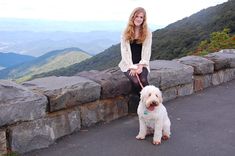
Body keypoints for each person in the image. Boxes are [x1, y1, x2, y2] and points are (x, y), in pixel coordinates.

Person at [118, 7, 152, 95]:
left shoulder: (147, 32)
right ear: (133, 17)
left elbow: (147, 50)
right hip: (128, 64)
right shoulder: (125, 32)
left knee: (143, 80)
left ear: (144, 19)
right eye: (137, 16)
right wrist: (131, 67)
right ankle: (142, 102)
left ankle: (152, 102)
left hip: (142, 63)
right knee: (136, 82)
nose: (139, 19)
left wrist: (140, 66)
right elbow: (124, 50)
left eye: (141, 17)